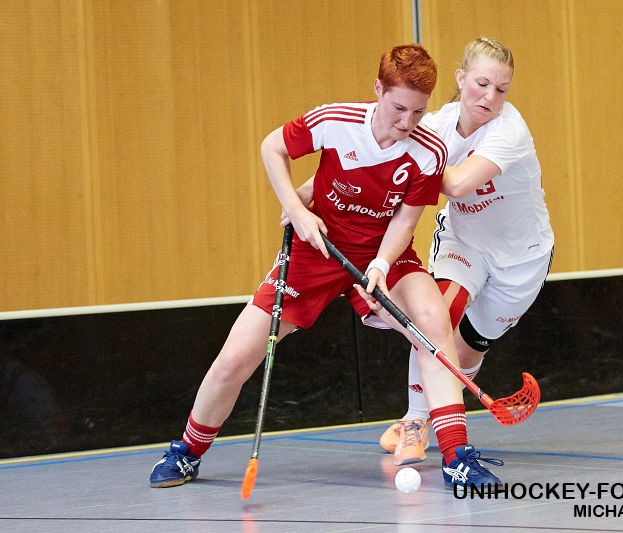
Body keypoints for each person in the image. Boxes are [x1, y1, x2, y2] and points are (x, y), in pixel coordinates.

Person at [149, 43, 503, 492]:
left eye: (417, 112)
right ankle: (187, 452)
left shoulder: (428, 151)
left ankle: (457, 457)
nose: (406, 123)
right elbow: (271, 147)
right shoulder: (335, 121)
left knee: (434, 325)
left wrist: (379, 263)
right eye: (397, 108)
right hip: (315, 252)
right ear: (378, 89)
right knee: (236, 357)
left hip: (382, 255)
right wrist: (297, 210)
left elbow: (406, 220)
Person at [374, 37, 555, 465]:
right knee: (438, 319)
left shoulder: (510, 129)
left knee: (469, 346)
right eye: (481, 83)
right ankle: (418, 420)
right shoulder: (435, 125)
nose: (490, 97)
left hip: (521, 258)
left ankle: (438, 407)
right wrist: (311, 194)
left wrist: (416, 165)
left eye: (501, 88)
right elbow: (381, 162)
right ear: (460, 79)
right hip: (465, 244)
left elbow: (455, 184)